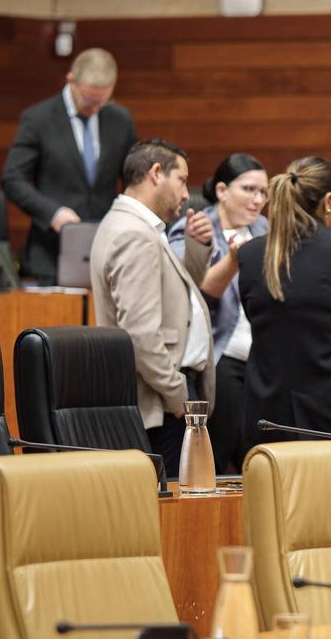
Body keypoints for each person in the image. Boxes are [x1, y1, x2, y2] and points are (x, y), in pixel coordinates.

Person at [235, 157, 331, 447]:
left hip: (268, 413)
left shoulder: (250, 254)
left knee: (277, 493)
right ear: (329, 200)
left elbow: (254, 315)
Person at [90, 139, 214, 476]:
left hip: (160, 394)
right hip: (159, 402)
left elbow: (175, 297)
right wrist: (179, 398)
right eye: (183, 180)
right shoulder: (135, 234)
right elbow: (141, 335)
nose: (187, 194)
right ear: (156, 173)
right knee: (172, 509)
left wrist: (197, 248)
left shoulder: (133, 226)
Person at [167, 153, 268, 474]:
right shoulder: (195, 226)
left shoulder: (263, 228)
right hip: (219, 355)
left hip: (261, 360)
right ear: (222, 190)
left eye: (264, 192)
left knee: (258, 455)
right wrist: (233, 260)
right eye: (249, 189)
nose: (258, 200)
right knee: (220, 454)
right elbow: (192, 294)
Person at [3, 48, 139, 284]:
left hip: (107, 248)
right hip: (52, 251)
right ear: (71, 81)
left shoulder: (121, 119)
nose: (95, 109)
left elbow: (133, 179)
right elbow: (13, 179)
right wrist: (52, 213)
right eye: (88, 100)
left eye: (103, 101)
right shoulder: (38, 119)